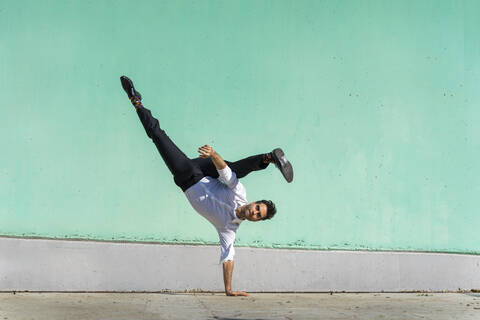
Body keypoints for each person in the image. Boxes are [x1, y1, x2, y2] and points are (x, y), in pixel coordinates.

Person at [120, 76, 293, 296]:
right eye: (258, 207)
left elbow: (228, 257)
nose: (254, 212)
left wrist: (229, 289)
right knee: (233, 172)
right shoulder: (240, 194)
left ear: (255, 220)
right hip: (205, 169)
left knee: (157, 136)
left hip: (185, 176)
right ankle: (268, 158)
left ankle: (136, 101)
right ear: (254, 203)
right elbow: (225, 172)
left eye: (258, 215)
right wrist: (213, 155)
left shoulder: (228, 229)